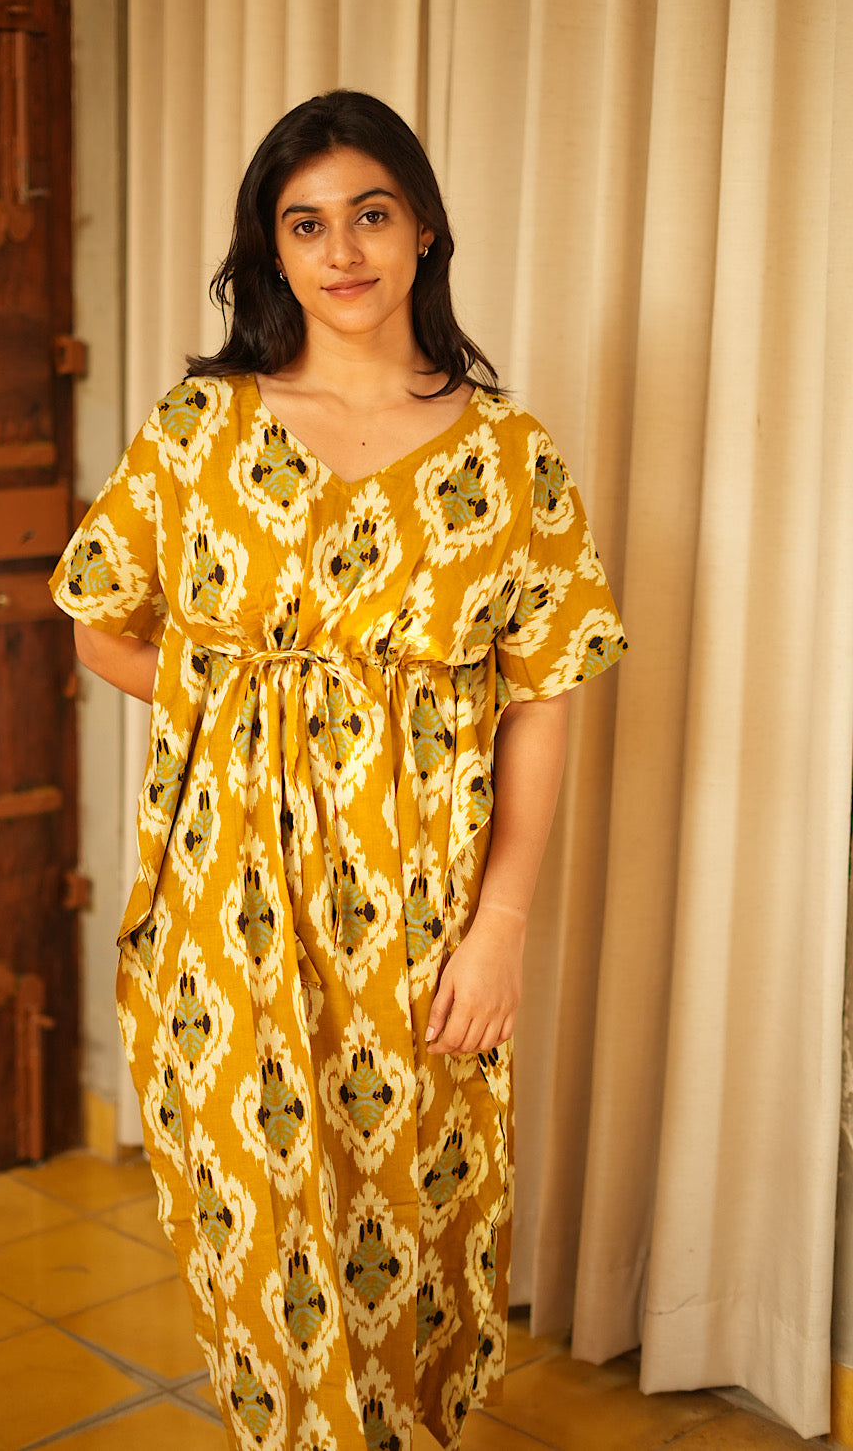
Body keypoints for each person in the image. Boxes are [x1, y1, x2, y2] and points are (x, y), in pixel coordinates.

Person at [50, 89, 626, 1451]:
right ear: (272, 250)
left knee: (416, 1224)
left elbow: (543, 693)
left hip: (422, 917)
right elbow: (100, 621)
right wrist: (253, 721)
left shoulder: (510, 456)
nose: (342, 250)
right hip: (227, 909)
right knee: (257, 1240)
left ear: (424, 229)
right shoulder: (198, 429)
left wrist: (502, 924)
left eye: (371, 213)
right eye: (305, 224)